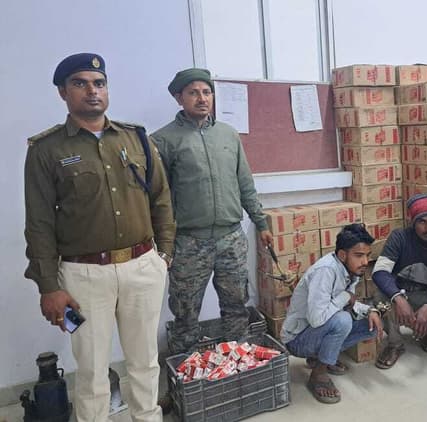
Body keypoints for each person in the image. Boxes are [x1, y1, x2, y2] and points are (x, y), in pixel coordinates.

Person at [24, 53, 175, 421]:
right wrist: (49, 287)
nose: (92, 91)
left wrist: (164, 255)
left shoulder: (136, 139)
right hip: (83, 278)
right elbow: (39, 223)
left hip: (143, 267)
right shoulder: (46, 150)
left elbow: (160, 198)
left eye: (99, 83)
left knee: (145, 361)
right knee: (91, 370)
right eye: (80, 83)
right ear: (63, 92)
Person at [152, 68, 273, 353]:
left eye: (207, 92)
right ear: (179, 98)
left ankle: (236, 361)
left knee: (237, 305)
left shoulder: (228, 135)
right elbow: (157, 198)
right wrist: (162, 244)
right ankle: (186, 368)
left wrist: (261, 223)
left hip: (231, 238)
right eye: (193, 92)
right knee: (185, 312)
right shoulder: (162, 140)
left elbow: (245, 184)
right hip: (188, 242)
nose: (202, 98)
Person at [280, 224, 384, 404]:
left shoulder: (351, 270)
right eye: (359, 255)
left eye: (367, 255)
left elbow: (348, 302)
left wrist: (370, 310)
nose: (365, 262)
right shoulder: (325, 271)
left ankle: (321, 358)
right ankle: (318, 375)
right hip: (297, 339)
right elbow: (317, 318)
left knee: (372, 325)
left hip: (316, 330)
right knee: (342, 320)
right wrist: (345, 297)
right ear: (343, 255)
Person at [371, 193, 427, 369]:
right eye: (422, 222)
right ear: (413, 222)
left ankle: (424, 332)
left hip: (425, 297)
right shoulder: (399, 238)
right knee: (380, 301)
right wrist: (398, 298)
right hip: (398, 294)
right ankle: (395, 345)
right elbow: (380, 272)